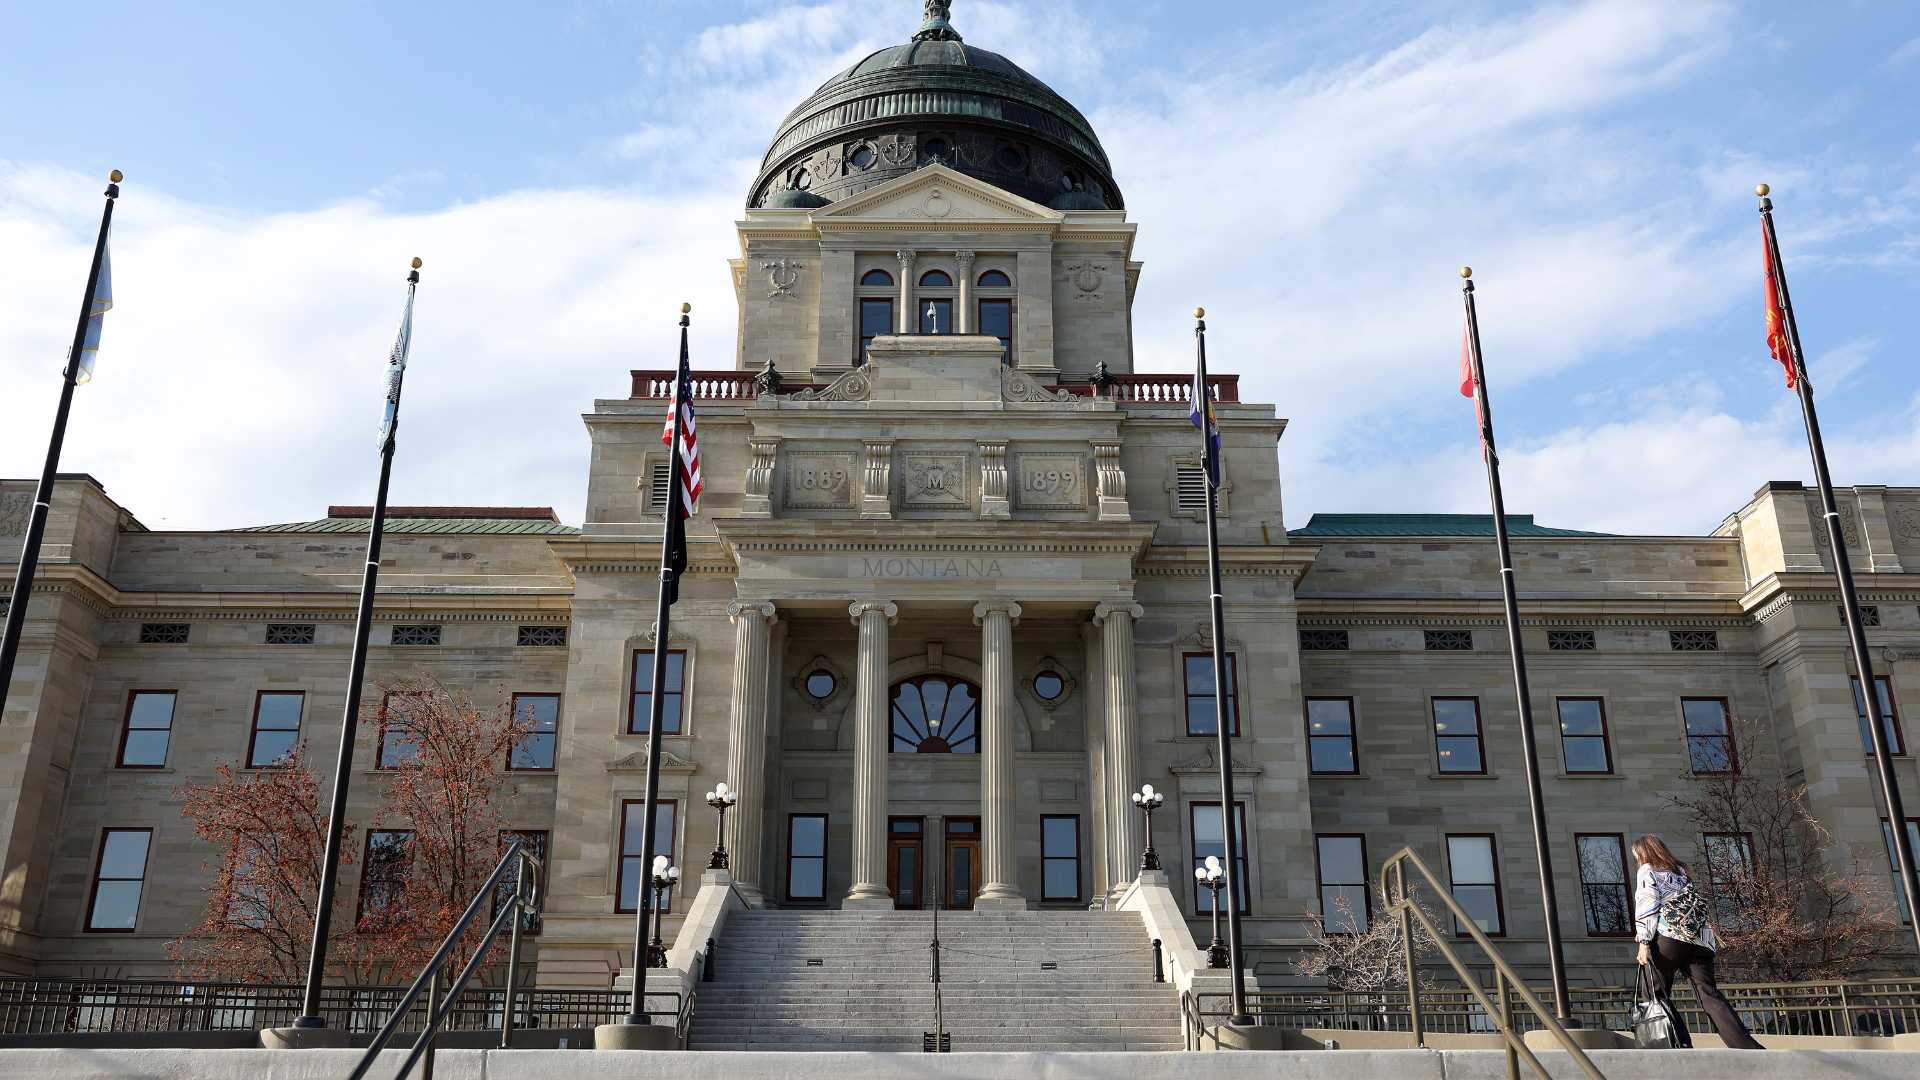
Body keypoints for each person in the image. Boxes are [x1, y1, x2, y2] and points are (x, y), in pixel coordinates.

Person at [1631, 835, 1764, 1049]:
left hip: (1669, 938)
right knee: (1709, 994)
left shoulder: (1647, 870)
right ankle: (1747, 1047)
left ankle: (1678, 1044)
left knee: (1653, 993)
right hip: (1700, 940)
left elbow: (1648, 904)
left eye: (1636, 855)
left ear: (1643, 853)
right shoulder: (1680, 871)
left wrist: (1644, 942)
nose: (1637, 859)